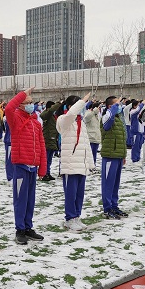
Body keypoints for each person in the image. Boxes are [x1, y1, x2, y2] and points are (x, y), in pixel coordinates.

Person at [5, 87, 47, 244]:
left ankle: (28, 227)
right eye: (27, 102)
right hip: (21, 166)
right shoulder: (15, 119)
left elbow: (41, 145)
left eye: (32, 102)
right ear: (20, 105)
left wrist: (42, 167)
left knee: (30, 199)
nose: (31, 105)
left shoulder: (36, 122)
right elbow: (9, 107)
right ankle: (20, 229)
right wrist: (23, 93)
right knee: (20, 199)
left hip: (33, 167)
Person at [56, 93, 94, 231]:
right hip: (70, 164)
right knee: (70, 194)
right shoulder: (63, 119)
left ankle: (76, 216)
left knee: (79, 194)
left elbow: (86, 144)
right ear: (71, 106)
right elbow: (71, 114)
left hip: (81, 164)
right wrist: (82, 101)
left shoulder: (81, 122)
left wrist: (90, 163)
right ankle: (69, 218)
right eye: (80, 106)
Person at [100, 96, 128, 219]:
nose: (120, 106)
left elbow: (122, 139)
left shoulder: (119, 119)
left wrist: (123, 155)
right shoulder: (106, 116)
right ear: (110, 107)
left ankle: (114, 206)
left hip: (118, 155)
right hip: (110, 155)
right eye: (117, 104)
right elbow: (107, 124)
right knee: (108, 184)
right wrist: (114, 107)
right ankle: (107, 208)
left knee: (115, 184)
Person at [40, 100, 62, 181]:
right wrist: (58, 103)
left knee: (49, 158)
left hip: (52, 139)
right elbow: (48, 112)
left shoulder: (52, 115)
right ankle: (44, 173)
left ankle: (48, 173)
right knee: (46, 158)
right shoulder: (46, 114)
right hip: (48, 138)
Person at [83, 100, 102, 166]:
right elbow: (86, 118)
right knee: (90, 154)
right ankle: (89, 166)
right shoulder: (88, 113)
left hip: (96, 137)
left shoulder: (97, 115)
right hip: (91, 137)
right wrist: (94, 111)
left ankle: (93, 165)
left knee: (94, 153)